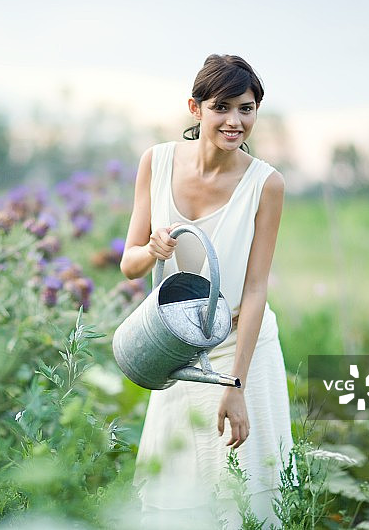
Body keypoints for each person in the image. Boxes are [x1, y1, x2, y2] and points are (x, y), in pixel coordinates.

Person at [119, 54, 293, 529]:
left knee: (244, 494)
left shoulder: (266, 184)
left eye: (247, 108)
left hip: (241, 349)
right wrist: (153, 250)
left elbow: (256, 290)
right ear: (195, 108)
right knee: (177, 488)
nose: (235, 121)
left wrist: (235, 385)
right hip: (176, 345)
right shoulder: (156, 161)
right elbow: (129, 263)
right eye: (223, 107)